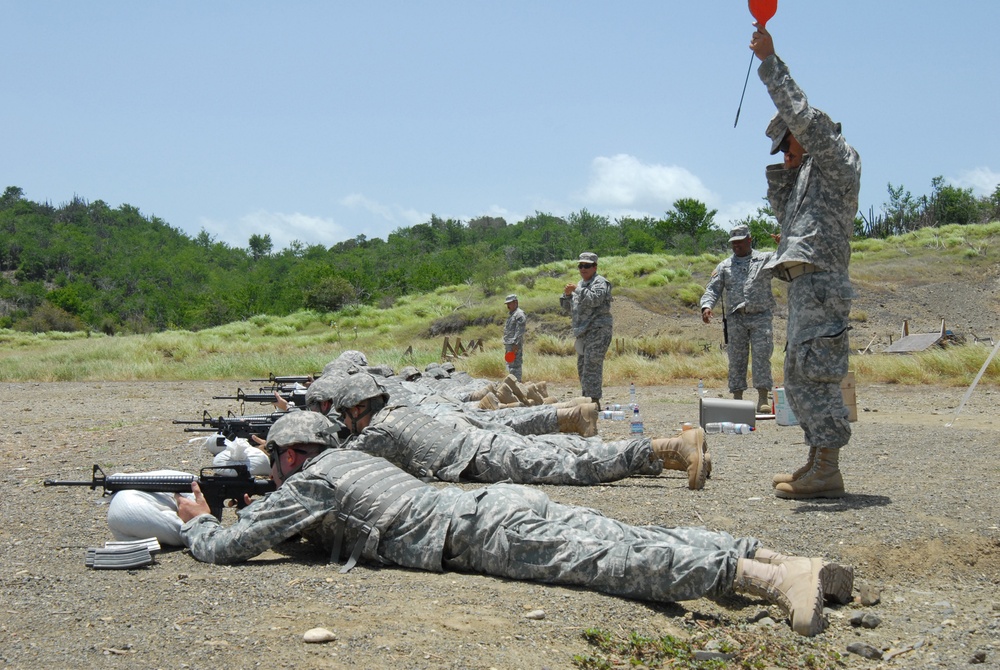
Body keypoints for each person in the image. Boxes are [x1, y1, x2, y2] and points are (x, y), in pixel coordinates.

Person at [175, 411, 854, 637]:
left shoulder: (313, 480)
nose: (275, 473)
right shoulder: (346, 466)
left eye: (278, 462)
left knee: (615, 565)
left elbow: (232, 549)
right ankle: (776, 557)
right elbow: (315, 526)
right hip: (495, 508)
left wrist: (200, 522)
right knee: (622, 539)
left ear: (295, 453)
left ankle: (760, 578)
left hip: (477, 532)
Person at [750, 23, 860, 499]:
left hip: (824, 285)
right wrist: (784, 171)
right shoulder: (804, 180)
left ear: (807, 136)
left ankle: (829, 468)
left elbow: (803, 117)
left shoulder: (838, 159)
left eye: (789, 144)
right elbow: (782, 213)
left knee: (818, 371)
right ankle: (816, 460)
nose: (786, 152)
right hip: (804, 288)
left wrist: (770, 63)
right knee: (798, 374)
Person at [326, 370, 710, 489]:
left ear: (359, 409)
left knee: (578, 465)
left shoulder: (378, 431)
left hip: (486, 455)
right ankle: (675, 454)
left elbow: (341, 462)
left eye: (345, 414)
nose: (345, 421)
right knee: (570, 453)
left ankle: (674, 446)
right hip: (487, 443)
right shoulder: (397, 411)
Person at [700, 225, 776, 411]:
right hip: (736, 319)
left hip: (760, 316)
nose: (736, 246)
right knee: (736, 358)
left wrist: (784, 244)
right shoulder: (725, 266)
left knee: (762, 356)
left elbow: (785, 260)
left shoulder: (765, 259)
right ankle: (738, 399)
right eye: (733, 243)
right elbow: (712, 289)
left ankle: (763, 398)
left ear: (749, 240)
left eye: (740, 242)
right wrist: (707, 306)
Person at [561, 252, 613, 403]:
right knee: (582, 367)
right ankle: (586, 399)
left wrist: (576, 290)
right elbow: (567, 308)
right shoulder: (580, 284)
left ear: (595, 267)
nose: (583, 269)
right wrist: (567, 295)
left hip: (598, 330)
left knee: (592, 366)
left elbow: (595, 299)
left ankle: (593, 401)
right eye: (581, 266)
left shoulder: (600, 282)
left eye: (587, 266)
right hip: (583, 332)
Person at [502, 294, 526, 381]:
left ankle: (517, 384)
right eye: (507, 304)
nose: (508, 306)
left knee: (515, 366)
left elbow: (520, 331)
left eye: (510, 303)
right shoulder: (512, 315)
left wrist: (516, 345)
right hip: (509, 345)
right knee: (510, 365)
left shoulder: (519, 314)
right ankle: (512, 384)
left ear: (516, 302)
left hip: (514, 345)